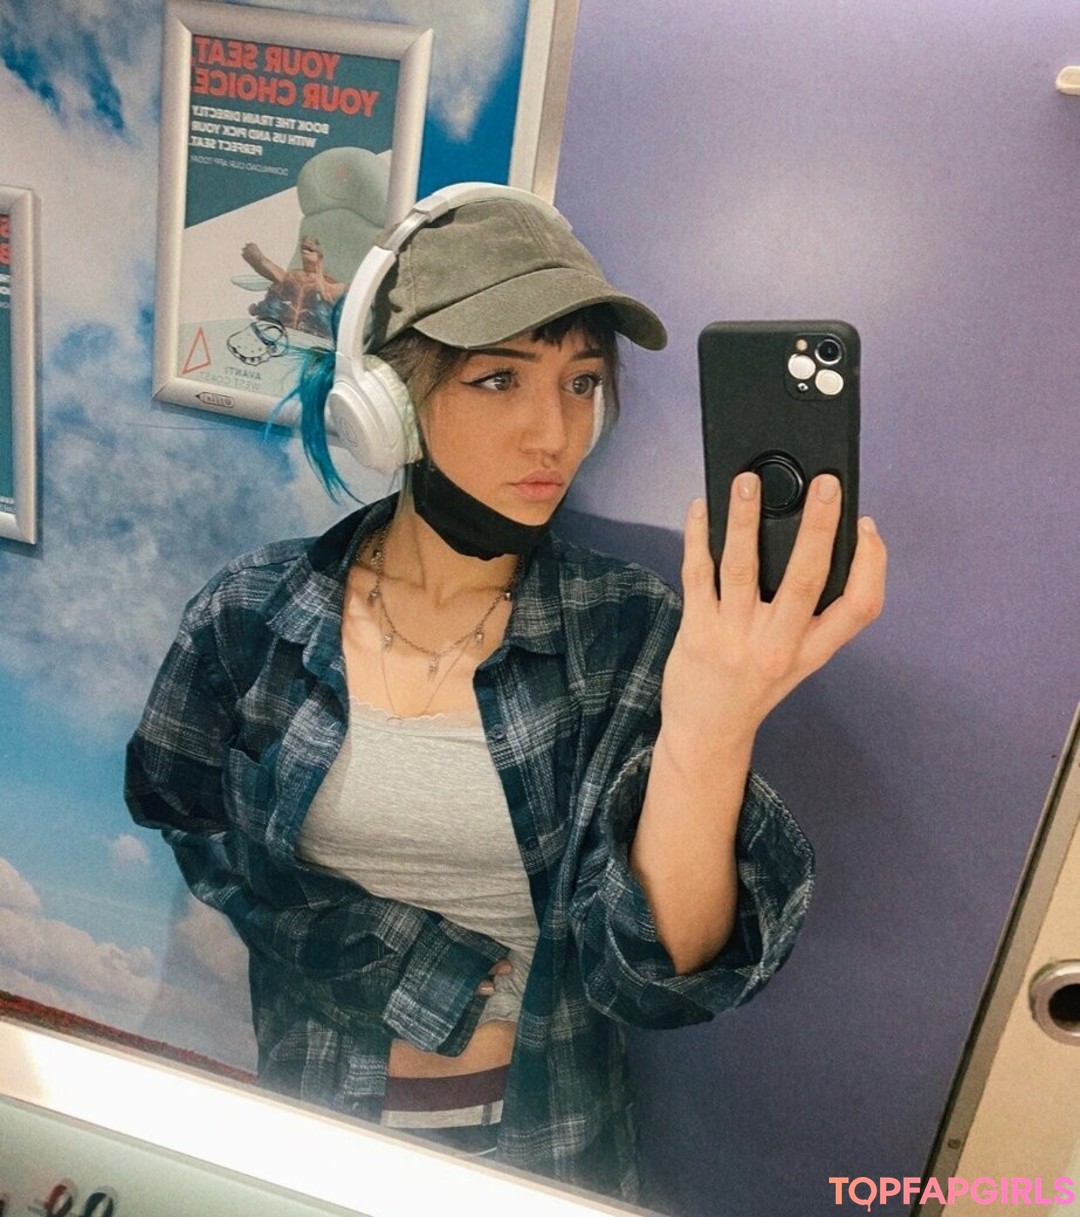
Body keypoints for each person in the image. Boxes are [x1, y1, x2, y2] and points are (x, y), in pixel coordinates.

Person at [126, 187, 886, 1202]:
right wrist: (399, 956)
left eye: (582, 382)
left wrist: (714, 723)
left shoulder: (626, 630)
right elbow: (183, 811)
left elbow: (654, 975)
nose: (553, 433)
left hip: (544, 1150)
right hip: (311, 1136)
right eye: (497, 378)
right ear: (387, 398)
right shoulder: (253, 612)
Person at [241, 233, 346, 339]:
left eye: (315, 242)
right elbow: (266, 266)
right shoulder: (290, 277)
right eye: (305, 243)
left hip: (313, 340)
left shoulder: (330, 287)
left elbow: (348, 292)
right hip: (277, 335)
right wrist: (257, 257)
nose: (308, 242)